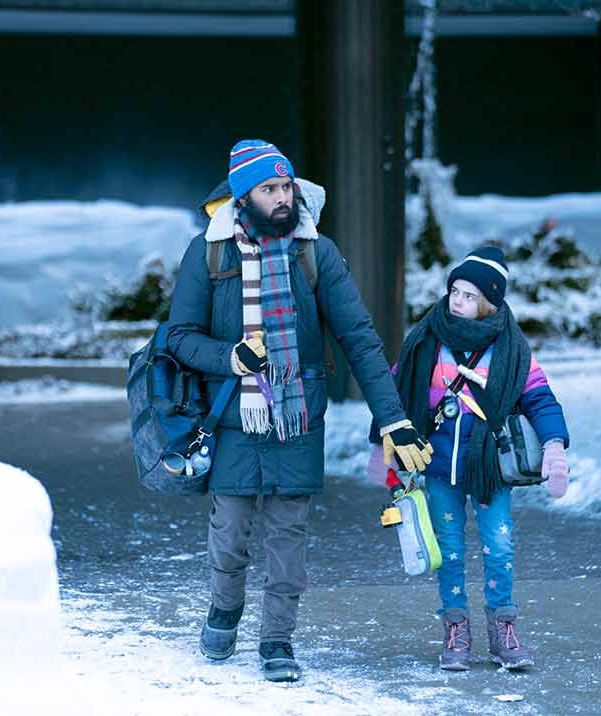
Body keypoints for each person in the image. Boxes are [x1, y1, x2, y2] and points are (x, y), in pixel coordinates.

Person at [166, 139, 433, 682]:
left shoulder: (315, 252)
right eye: (270, 189)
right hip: (233, 419)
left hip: (298, 418)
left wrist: (393, 417)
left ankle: (277, 641)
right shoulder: (209, 253)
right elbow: (178, 337)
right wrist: (230, 356)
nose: (283, 197)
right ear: (244, 196)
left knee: (288, 536)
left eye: (287, 186)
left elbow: (359, 337)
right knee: (231, 530)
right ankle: (224, 608)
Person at [366, 246, 571, 671]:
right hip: (438, 466)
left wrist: (554, 447)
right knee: (450, 550)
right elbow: (394, 392)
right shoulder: (427, 338)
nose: (457, 301)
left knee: (499, 546)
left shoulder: (512, 349)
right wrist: (379, 447)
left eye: (469, 295)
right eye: (455, 291)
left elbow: (540, 399)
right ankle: (456, 629)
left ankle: (504, 630)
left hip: (490, 470)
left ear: (489, 303)